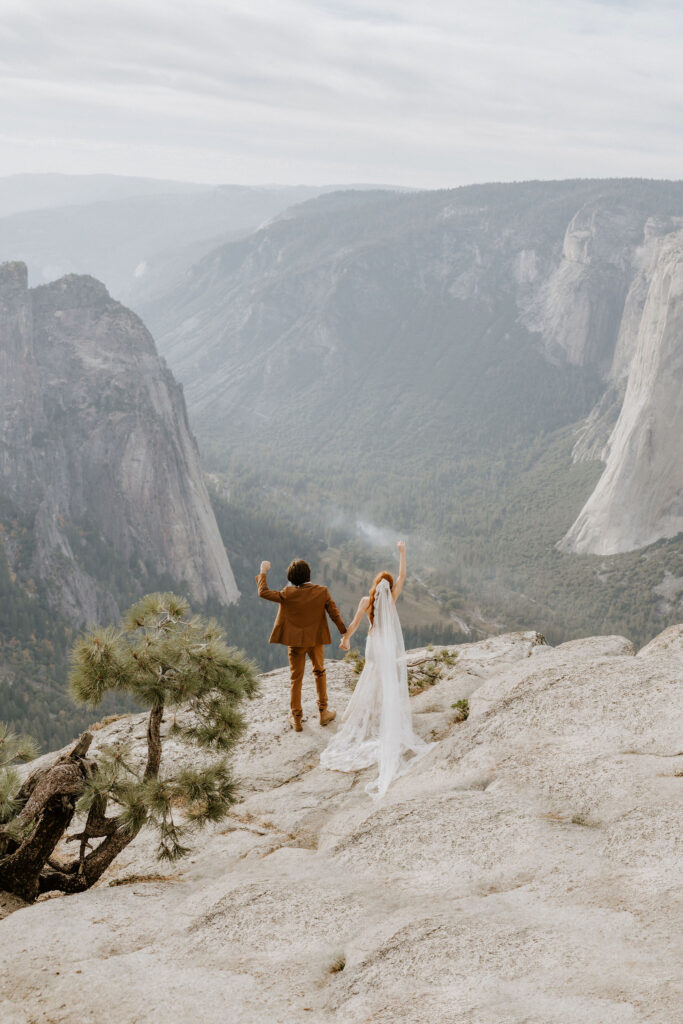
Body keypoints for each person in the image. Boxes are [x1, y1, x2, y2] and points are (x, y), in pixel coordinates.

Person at [321, 541, 434, 799]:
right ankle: (384, 714)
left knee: (370, 677)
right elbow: (404, 576)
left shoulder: (366, 601)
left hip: (373, 645)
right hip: (386, 646)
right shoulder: (391, 600)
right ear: (390, 588)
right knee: (385, 681)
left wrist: (346, 639)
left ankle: (368, 713)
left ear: (375, 585)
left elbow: (354, 623)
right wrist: (403, 553)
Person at [256, 558, 347, 732]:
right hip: (316, 641)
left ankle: (297, 719)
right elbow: (334, 613)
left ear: (291, 577)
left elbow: (263, 592)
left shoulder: (287, 593)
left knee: (296, 679)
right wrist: (344, 632)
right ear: (308, 575)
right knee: (320, 672)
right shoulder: (322, 591)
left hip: (296, 644)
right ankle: (323, 712)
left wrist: (263, 571)